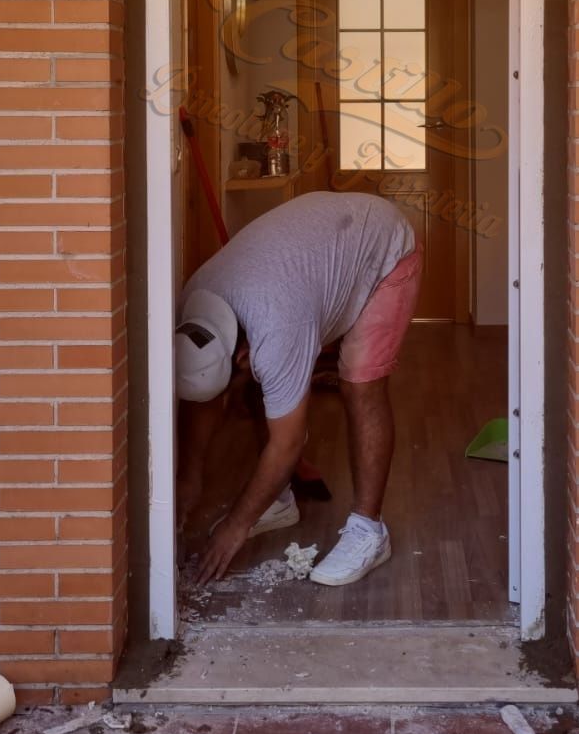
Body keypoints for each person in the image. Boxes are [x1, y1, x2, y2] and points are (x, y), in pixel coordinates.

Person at [174, 190, 422, 588]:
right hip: (318, 249)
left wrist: (236, 525)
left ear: (244, 356)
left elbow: (287, 445)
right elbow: (202, 397)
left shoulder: (277, 328)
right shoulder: (196, 304)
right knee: (269, 382)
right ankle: (277, 501)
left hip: (381, 244)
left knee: (360, 385)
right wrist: (188, 476)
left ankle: (369, 532)